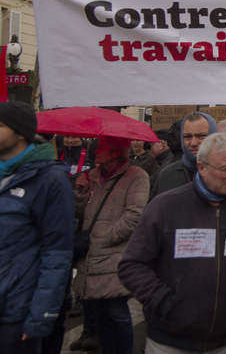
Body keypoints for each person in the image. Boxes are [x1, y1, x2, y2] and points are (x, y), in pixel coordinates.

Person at [119, 132, 226, 353]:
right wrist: (165, 302)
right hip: (170, 342)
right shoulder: (165, 206)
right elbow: (131, 265)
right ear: (202, 167)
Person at [0, 102, 74, 354]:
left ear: (20, 133)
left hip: (16, 312)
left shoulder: (50, 180)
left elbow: (57, 254)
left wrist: (41, 315)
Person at [73, 136, 149, 354]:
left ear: (117, 151)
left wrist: (103, 238)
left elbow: (134, 217)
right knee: (99, 314)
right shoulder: (92, 176)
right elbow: (80, 214)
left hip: (115, 256)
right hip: (90, 257)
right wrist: (80, 195)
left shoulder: (137, 176)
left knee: (116, 312)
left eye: (103, 147)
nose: (96, 150)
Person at [151, 112, 226, 247]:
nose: (193, 143)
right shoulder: (167, 175)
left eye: (201, 136)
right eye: (187, 137)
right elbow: (153, 225)